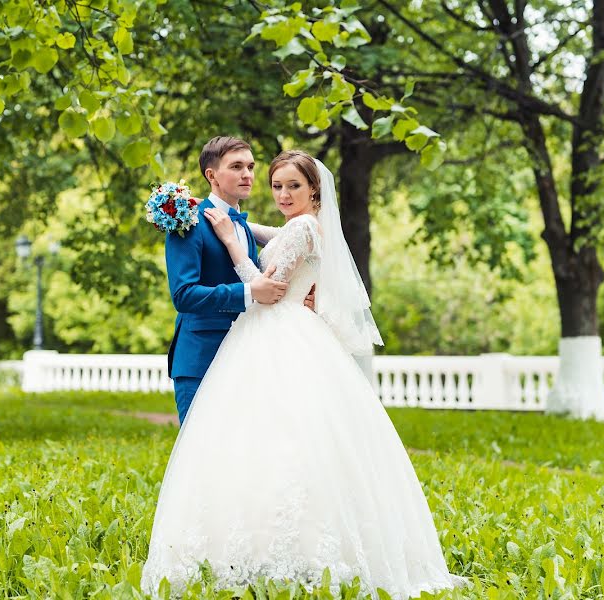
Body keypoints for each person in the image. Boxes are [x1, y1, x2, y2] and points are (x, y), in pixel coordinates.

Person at [142, 150, 467, 598]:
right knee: (256, 449)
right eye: (276, 185)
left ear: (314, 189)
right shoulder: (281, 223)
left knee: (281, 446)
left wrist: (235, 243)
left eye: (292, 185)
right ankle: (247, 548)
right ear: (213, 174)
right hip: (259, 337)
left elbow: (267, 284)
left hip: (276, 333)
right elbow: (258, 232)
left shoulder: (304, 226)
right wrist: (211, 215)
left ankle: (289, 550)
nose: (280, 192)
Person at [165, 136, 311, 425]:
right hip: (201, 357)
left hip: (246, 355)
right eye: (236, 166)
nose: (247, 174)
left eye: (250, 166)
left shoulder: (243, 225)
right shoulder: (187, 221)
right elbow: (183, 295)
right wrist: (248, 291)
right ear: (212, 175)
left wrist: (310, 289)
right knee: (200, 450)